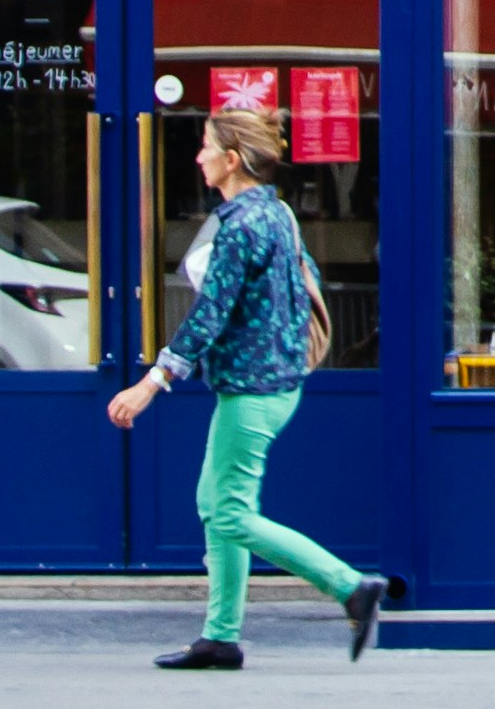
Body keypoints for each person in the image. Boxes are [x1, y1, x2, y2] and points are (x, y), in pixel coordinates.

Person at [109, 109, 389, 670]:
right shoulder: (276, 212)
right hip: (273, 382)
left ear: (232, 159)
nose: (198, 157)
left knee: (231, 514)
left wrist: (151, 382)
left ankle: (350, 587)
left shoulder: (241, 226)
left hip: (253, 391)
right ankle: (220, 637)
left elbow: (209, 314)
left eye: (206, 147)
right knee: (215, 504)